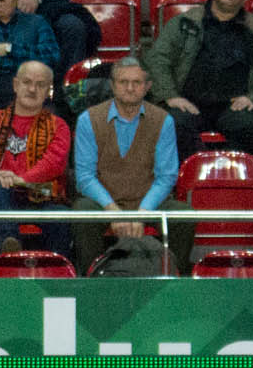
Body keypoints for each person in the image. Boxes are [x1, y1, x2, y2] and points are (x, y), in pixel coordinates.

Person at [141, 0, 253, 157]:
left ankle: (240, 176)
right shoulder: (184, 22)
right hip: (188, 104)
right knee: (173, 124)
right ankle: (190, 175)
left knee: (250, 128)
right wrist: (170, 95)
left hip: (233, 108)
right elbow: (157, 60)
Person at [70, 53, 179, 266]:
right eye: (123, 82)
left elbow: (166, 177)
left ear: (147, 87)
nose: (130, 88)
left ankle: (174, 277)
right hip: (104, 203)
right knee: (82, 210)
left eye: (136, 82)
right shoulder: (88, 119)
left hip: (148, 202)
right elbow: (84, 177)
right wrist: (112, 210)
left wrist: (142, 213)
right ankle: (92, 276)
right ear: (112, 85)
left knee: (182, 215)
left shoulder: (164, 120)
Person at [0, 58, 72, 246]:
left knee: (60, 217)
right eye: (26, 82)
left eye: (40, 85)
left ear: (49, 91)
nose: (32, 89)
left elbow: (54, 164)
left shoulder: (59, 126)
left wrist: (21, 180)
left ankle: (57, 263)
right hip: (1, 195)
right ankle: (8, 250)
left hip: (43, 195)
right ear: (15, 85)